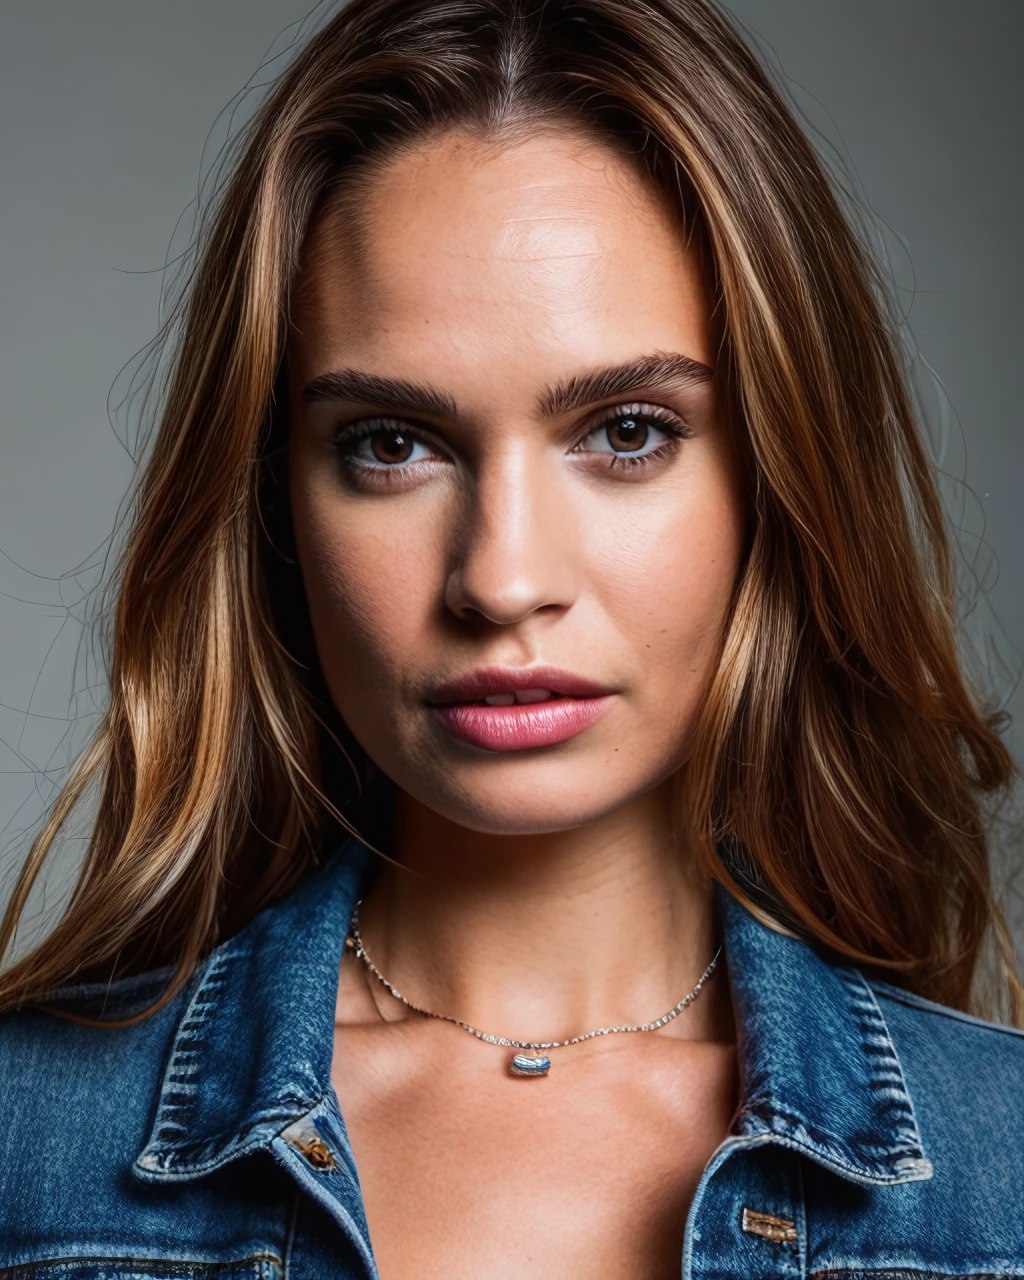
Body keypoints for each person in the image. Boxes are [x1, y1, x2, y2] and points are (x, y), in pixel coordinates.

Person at [1, 0, 1021, 1275]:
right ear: (272, 502)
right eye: (392, 443)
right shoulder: (22, 1141)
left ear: (778, 475)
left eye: (628, 431)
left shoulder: (1003, 1172)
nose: (502, 578)